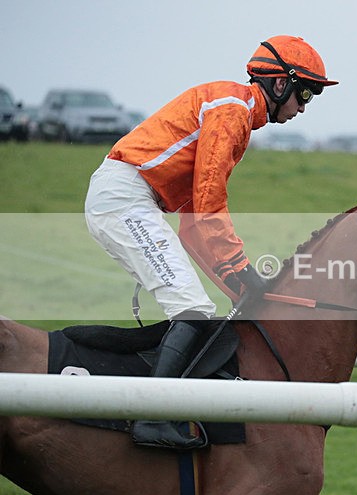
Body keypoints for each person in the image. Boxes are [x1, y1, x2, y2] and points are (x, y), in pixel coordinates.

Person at [84, 35, 337, 449]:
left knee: (196, 309)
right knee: (193, 311)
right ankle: (151, 417)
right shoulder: (231, 109)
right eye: (305, 93)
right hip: (124, 199)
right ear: (279, 84)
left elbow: (191, 223)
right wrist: (239, 269)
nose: (304, 107)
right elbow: (208, 202)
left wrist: (238, 286)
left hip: (130, 198)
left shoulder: (236, 115)